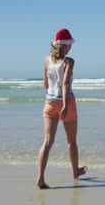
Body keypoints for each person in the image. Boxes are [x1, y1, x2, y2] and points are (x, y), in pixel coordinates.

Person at [36, 28, 87, 189]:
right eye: (70, 44)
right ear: (66, 46)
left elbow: (45, 84)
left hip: (49, 103)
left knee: (47, 142)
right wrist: (64, 104)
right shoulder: (69, 61)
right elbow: (65, 84)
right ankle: (75, 172)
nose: (71, 47)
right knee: (71, 141)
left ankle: (40, 178)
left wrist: (53, 94)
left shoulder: (46, 60)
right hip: (67, 103)